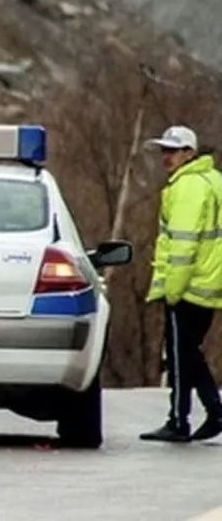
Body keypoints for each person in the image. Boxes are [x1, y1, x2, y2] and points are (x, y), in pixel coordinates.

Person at [140, 124, 222, 443]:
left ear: (190, 153)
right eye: (164, 150)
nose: (166, 157)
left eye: (173, 151)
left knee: (178, 354)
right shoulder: (214, 180)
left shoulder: (187, 187)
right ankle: (213, 410)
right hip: (210, 283)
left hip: (188, 285)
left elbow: (183, 245)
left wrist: (171, 289)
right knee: (188, 352)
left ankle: (179, 420)